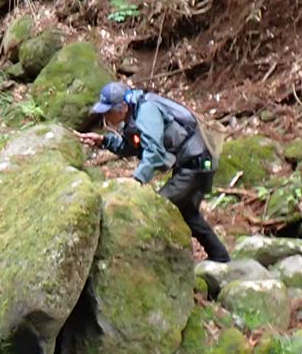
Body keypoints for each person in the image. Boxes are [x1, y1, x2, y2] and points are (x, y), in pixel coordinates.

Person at [77, 82, 231, 263]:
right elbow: (133, 146)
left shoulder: (146, 111)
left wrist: (137, 180)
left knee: (157, 208)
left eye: (108, 111)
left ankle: (156, 263)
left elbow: (154, 151)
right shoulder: (135, 114)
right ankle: (221, 258)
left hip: (196, 165)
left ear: (123, 107)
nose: (105, 117)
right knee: (187, 212)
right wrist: (103, 141)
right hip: (193, 164)